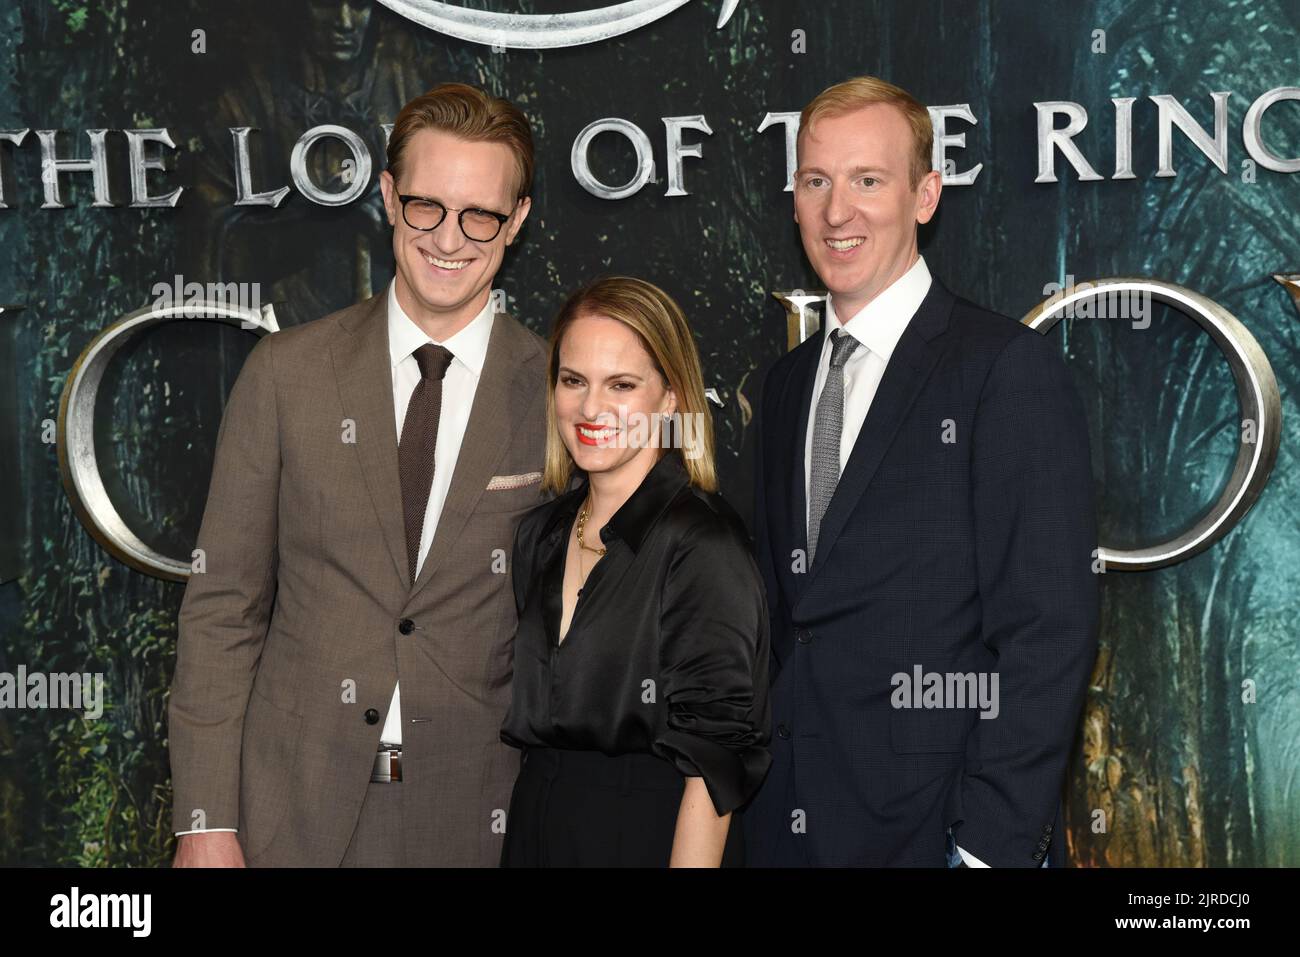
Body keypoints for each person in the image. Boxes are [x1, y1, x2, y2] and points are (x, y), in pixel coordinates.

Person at [169, 82, 547, 867]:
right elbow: (221, 611)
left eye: (480, 213)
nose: (449, 237)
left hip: (480, 817)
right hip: (290, 812)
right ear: (385, 198)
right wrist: (205, 823)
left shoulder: (552, 390)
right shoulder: (286, 374)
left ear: (517, 221)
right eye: (425, 206)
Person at [743, 76, 1100, 867]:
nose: (839, 211)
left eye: (868, 180)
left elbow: (1048, 631)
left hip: (937, 840)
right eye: (816, 181)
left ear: (926, 195)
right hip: (782, 835)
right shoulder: (781, 387)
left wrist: (987, 847)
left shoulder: (1004, 370)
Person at [500, 276, 772, 867]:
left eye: (621, 384)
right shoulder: (541, 535)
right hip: (538, 831)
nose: (591, 407)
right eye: (574, 380)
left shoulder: (702, 541)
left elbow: (716, 758)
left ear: (670, 398)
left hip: (649, 833)